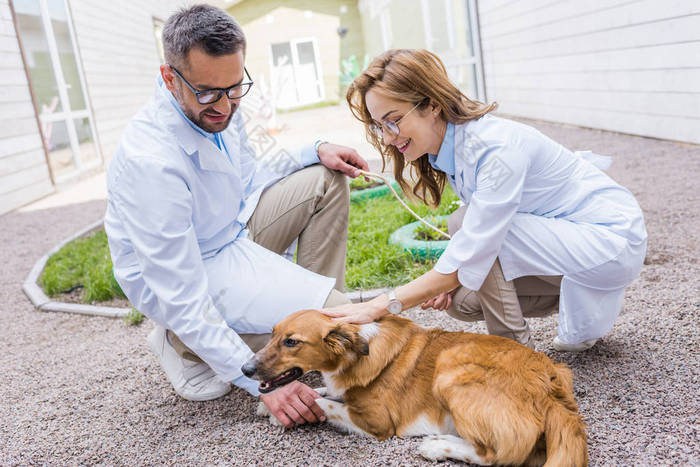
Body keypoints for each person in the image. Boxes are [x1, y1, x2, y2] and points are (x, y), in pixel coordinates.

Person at [104, 5, 368, 428]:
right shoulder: (149, 163)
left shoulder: (220, 99)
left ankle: (308, 336)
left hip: (231, 235)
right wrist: (265, 384)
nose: (225, 107)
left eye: (235, 88)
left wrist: (314, 151)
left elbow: (248, 176)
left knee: (324, 180)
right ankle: (182, 343)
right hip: (190, 271)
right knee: (348, 321)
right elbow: (180, 296)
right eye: (209, 92)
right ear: (169, 78)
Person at [322, 49, 647, 352]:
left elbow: (479, 245)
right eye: (380, 127)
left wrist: (381, 304)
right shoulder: (452, 148)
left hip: (610, 241)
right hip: (576, 243)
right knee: (464, 300)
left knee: (469, 231)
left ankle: (518, 359)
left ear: (432, 105)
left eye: (393, 120)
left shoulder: (493, 149)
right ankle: (585, 300)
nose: (389, 137)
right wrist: (441, 281)